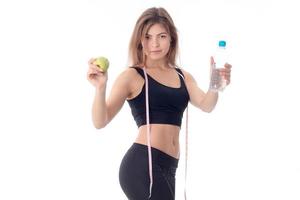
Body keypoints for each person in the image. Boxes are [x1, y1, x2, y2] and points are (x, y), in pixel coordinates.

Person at [87, 7, 231, 200]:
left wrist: (216, 86)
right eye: (147, 37)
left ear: (171, 38)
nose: (154, 43)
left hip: (170, 167)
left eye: (161, 36)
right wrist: (100, 88)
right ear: (140, 40)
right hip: (143, 164)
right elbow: (100, 121)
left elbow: (206, 105)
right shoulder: (132, 75)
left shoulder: (183, 76)